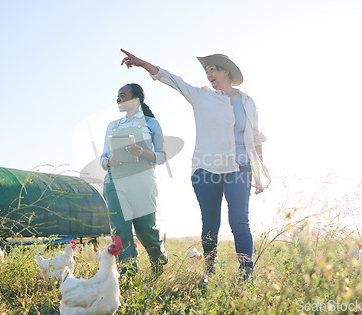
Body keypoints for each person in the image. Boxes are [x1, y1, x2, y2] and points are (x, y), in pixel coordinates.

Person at [120, 49, 271, 282]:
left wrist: (258, 171)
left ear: (226, 71)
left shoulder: (247, 102)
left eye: (212, 68)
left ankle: (245, 276)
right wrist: (142, 64)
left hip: (239, 167)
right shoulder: (201, 96)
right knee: (211, 223)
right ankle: (209, 273)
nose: (208, 73)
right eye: (206, 70)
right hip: (206, 169)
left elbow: (255, 137)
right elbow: (171, 78)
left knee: (239, 220)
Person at [100, 83, 168, 277]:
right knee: (120, 230)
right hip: (115, 179)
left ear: (136, 98)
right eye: (117, 96)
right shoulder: (112, 126)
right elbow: (103, 156)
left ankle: (158, 256)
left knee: (145, 229)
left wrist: (144, 153)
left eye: (122, 95)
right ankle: (128, 274)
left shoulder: (151, 124)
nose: (118, 99)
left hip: (142, 179)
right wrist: (108, 161)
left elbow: (162, 156)